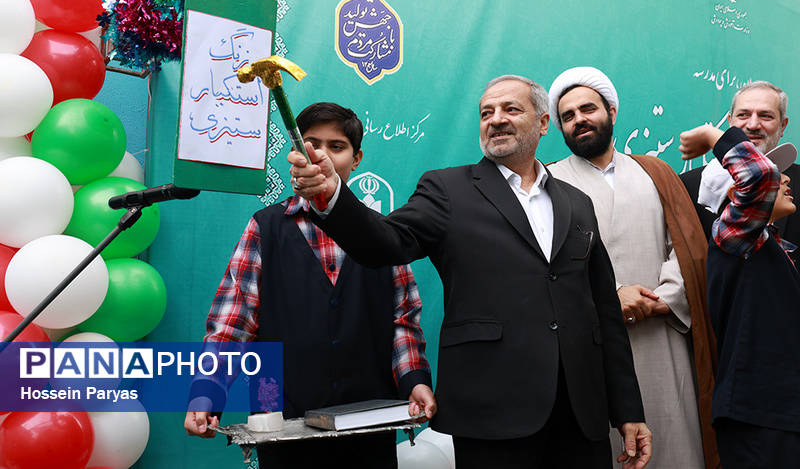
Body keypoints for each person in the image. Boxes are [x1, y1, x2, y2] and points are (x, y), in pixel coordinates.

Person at [288, 75, 652, 469]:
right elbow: (385, 242)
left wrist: (628, 410)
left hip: (581, 418)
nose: (496, 119)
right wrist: (333, 196)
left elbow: (605, 312)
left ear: (543, 122)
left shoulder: (576, 203)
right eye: (486, 112)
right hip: (492, 416)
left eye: (511, 109)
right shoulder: (447, 189)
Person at [183, 102, 436, 469]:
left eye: (337, 146)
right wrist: (207, 390)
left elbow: (402, 322)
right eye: (311, 144)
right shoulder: (265, 228)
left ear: (356, 159)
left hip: (368, 425)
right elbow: (233, 323)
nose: (322, 155)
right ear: (294, 152)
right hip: (282, 424)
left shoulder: (384, 234)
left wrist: (414, 381)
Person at [547, 67, 717, 469]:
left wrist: (662, 299)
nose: (579, 120)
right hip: (593, 344)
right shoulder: (548, 181)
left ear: (611, 112)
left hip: (663, 334)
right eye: (568, 116)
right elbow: (547, 265)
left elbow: (686, 245)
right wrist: (613, 298)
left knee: (676, 445)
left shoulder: (655, 171)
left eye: (588, 109)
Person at [679, 123, 800, 469]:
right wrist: (711, 135)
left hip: (779, 414)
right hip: (760, 416)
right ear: (737, 196)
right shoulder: (732, 239)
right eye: (776, 175)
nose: (785, 180)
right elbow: (760, 177)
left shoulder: (773, 247)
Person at [681, 81, 800, 250]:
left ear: (783, 125)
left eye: (766, 116)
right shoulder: (686, 186)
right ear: (730, 121)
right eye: (743, 115)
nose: (753, 125)